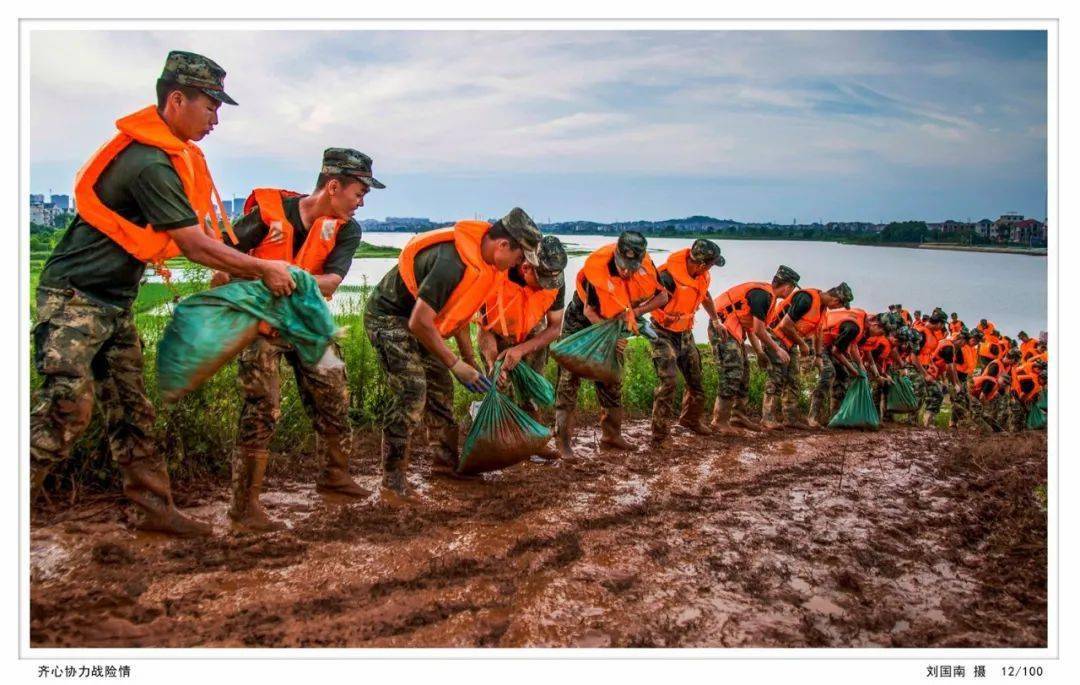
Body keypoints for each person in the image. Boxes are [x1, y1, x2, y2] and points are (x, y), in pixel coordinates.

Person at [31, 51, 297, 536]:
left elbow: (201, 237)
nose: (216, 118)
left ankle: (152, 509)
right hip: (74, 299)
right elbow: (195, 246)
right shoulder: (149, 162)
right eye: (211, 105)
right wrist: (264, 268)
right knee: (65, 410)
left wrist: (238, 265)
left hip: (112, 303)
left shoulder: (170, 158)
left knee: (133, 411)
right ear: (177, 99)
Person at [218, 148, 382, 531]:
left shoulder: (347, 229)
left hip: (307, 323)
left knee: (335, 395)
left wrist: (288, 277)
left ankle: (335, 475)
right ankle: (245, 505)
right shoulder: (267, 216)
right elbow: (224, 260)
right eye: (359, 193)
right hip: (260, 327)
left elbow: (331, 281)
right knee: (262, 407)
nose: (360, 203)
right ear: (333, 186)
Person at [365, 208, 542, 499]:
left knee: (441, 388)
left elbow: (458, 319)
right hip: (391, 317)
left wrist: (471, 363)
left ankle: (445, 466)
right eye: (519, 257)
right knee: (412, 390)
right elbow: (418, 322)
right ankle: (392, 480)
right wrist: (455, 364)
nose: (518, 265)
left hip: (425, 324)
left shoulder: (486, 268)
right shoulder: (452, 262)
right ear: (503, 246)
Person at [554, 231, 669, 457]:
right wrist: (613, 339)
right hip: (582, 322)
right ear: (616, 254)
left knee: (611, 377)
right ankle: (563, 441)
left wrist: (635, 313)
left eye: (632, 267)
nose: (626, 271)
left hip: (614, 322)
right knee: (569, 379)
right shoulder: (596, 270)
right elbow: (589, 311)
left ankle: (611, 435)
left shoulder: (648, 267)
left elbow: (662, 297)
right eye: (623, 265)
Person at [476, 235, 568, 456]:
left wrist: (520, 350)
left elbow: (555, 327)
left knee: (531, 393)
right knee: (499, 387)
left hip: (532, 335)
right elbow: (483, 328)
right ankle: (504, 443)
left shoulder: (555, 282)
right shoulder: (496, 273)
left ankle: (535, 442)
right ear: (527, 268)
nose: (547, 288)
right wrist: (492, 360)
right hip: (497, 334)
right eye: (542, 283)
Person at [648, 239, 724, 444]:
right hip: (662, 333)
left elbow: (704, 296)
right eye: (711, 265)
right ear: (702, 264)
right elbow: (648, 300)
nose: (711, 269)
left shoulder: (701, 276)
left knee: (696, 380)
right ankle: (660, 434)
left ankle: (690, 420)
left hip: (685, 333)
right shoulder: (667, 277)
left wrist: (716, 320)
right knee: (669, 381)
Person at [708, 266, 798, 432]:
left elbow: (751, 328)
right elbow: (758, 330)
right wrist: (778, 349)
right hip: (722, 326)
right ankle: (719, 421)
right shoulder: (763, 295)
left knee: (744, 373)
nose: (790, 292)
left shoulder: (768, 296)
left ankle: (737, 416)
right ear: (788, 287)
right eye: (791, 288)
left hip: (735, 329)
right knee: (732, 372)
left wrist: (760, 352)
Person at [760, 282, 850, 430]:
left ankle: (790, 418)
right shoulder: (806, 299)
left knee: (793, 379)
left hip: (790, 342)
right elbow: (784, 325)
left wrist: (818, 356)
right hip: (775, 337)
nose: (837, 309)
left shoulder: (822, 308)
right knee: (777, 377)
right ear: (836, 300)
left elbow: (818, 333)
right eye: (840, 306)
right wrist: (802, 344)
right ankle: (767, 418)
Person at [810, 305, 870, 427]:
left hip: (831, 345)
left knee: (843, 375)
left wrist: (859, 366)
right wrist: (853, 369)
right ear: (875, 324)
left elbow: (852, 347)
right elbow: (836, 351)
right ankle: (813, 417)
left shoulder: (860, 325)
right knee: (828, 372)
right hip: (821, 343)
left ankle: (836, 416)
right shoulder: (854, 327)